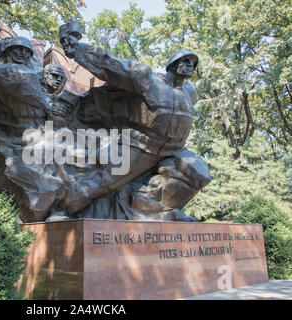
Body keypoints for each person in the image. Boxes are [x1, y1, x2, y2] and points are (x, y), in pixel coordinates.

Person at [59, 29, 212, 222]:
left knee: (199, 174)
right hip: (143, 145)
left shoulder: (190, 91)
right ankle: (62, 209)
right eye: (186, 61)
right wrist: (78, 49)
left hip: (175, 148)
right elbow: (112, 65)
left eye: (193, 63)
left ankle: (150, 207)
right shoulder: (149, 80)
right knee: (104, 182)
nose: (190, 66)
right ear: (173, 64)